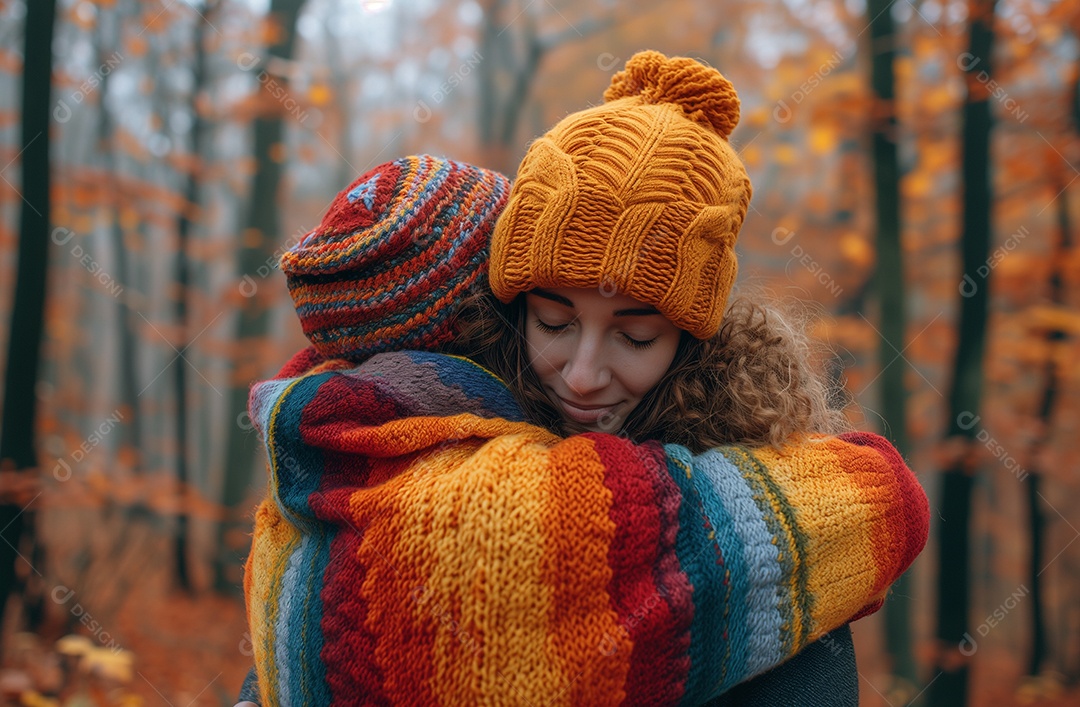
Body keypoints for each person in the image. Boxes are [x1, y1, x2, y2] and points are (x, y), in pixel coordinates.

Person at [239, 53, 929, 706]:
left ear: (693, 340)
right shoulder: (430, 450)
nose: (583, 373)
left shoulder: (765, 567)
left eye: (634, 335)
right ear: (505, 315)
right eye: (554, 321)